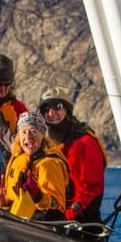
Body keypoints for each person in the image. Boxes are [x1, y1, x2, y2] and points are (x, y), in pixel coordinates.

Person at [38, 88, 109, 223]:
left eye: (57, 106)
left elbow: (93, 188)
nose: (51, 113)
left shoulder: (85, 142)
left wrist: (71, 213)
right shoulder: (44, 144)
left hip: (78, 220)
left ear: (67, 110)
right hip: (52, 216)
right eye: (46, 109)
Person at [0, 111, 69, 221]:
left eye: (33, 131)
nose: (28, 136)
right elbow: (17, 202)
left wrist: (37, 196)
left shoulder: (49, 164)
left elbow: (57, 207)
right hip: (17, 222)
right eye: (24, 132)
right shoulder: (17, 158)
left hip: (41, 227)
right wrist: (5, 202)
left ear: (42, 134)